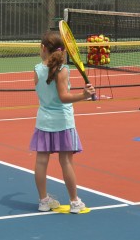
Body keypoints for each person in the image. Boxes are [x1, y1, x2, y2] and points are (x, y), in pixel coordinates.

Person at [30, 31, 95, 214]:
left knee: (41, 161)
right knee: (66, 161)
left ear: (43, 49)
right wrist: (83, 95)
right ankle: (75, 202)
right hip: (63, 122)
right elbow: (63, 97)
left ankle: (43, 201)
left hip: (44, 121)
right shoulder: (63, 70)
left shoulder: (36, 69)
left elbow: (48, 94)